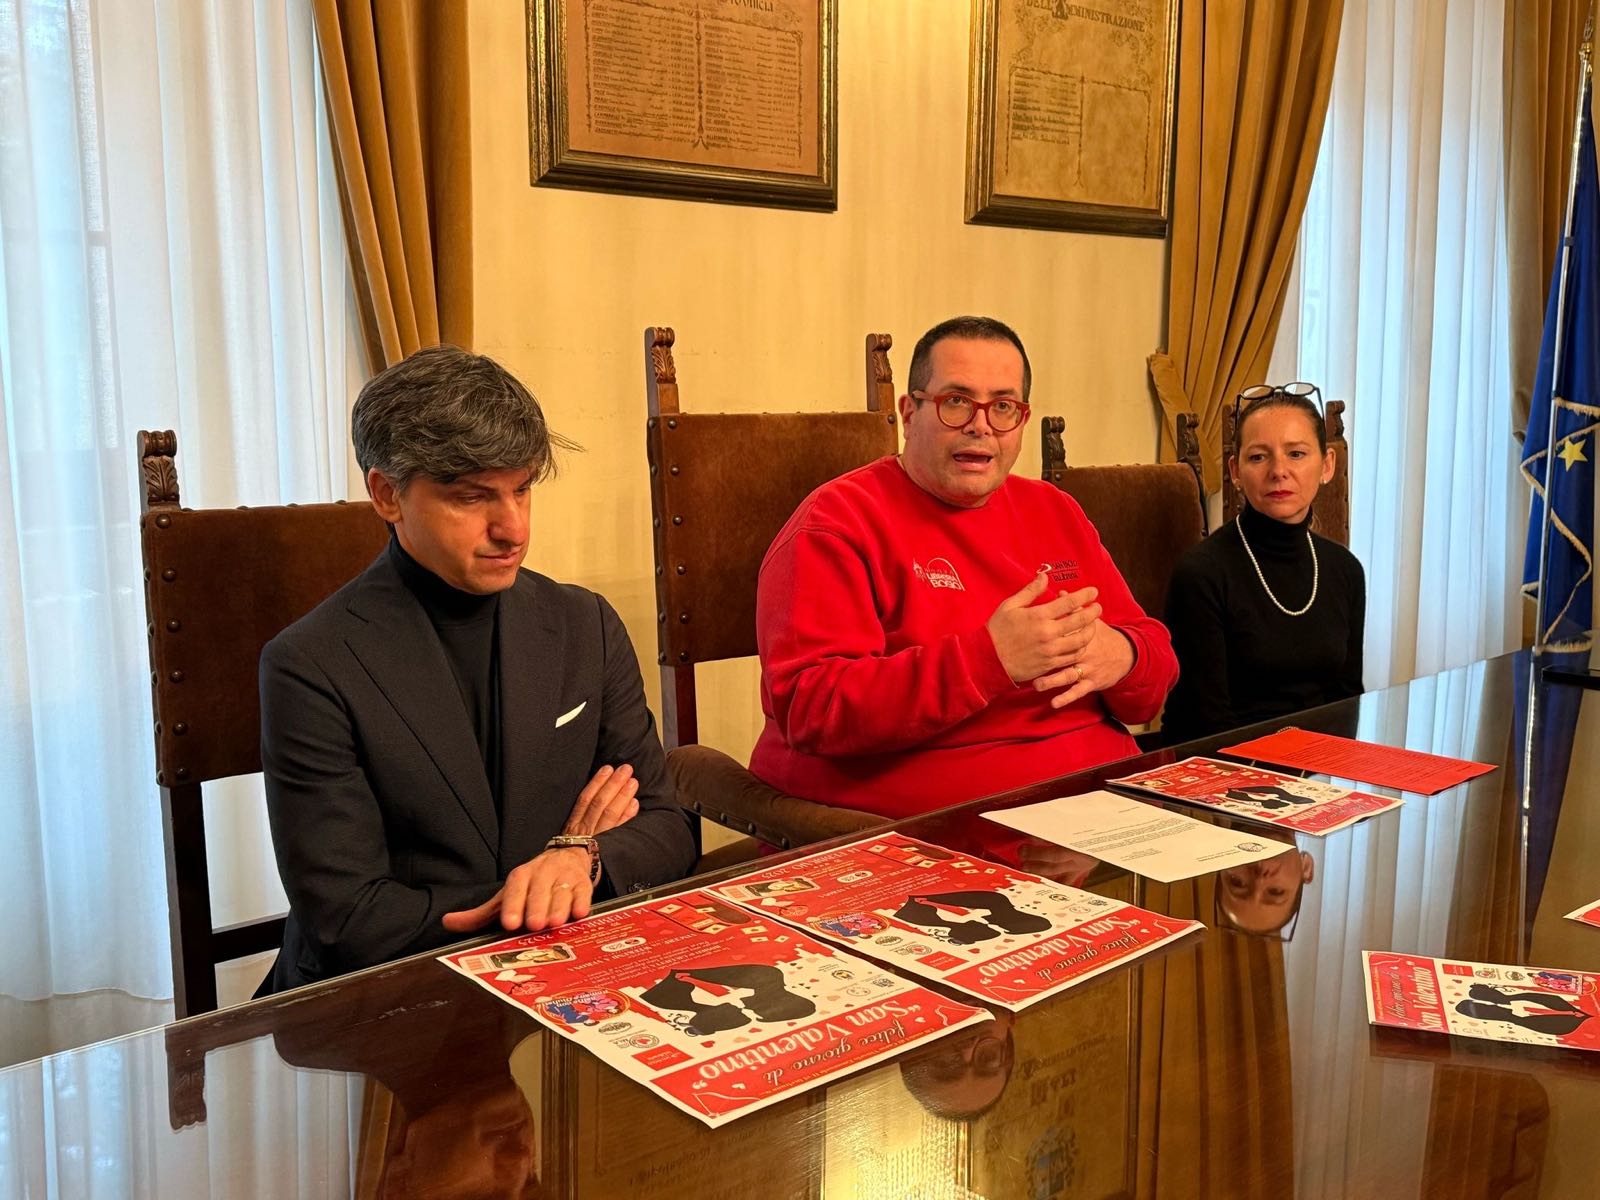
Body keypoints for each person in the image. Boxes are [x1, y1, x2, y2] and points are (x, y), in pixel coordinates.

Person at [258, 345, 697, 993]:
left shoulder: (585, 625)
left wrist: (585, 856)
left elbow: (671, 829)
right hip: (384, 1001)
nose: (512, 528)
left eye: (522, 491)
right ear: (386, 494)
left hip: (564, 979)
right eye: (473, 498)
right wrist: (543, 881)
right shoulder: (310, 665)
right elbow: (347, 918)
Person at [749, 315, 1179, 818]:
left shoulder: (1054, 509)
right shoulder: (836, 522)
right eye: (956, 401)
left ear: (1021, 420)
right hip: (923, 832)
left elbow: (1153, 676)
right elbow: (811, 709)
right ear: (909, 413)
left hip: (1098, 819)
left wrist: (1122, 655)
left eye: (1002, 406)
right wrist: (988, 660)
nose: (980, 425)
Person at [1161, 385, 1365, 742]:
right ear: (1235, 471)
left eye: (1297, 454)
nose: (1279, 471)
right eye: (1258, 457)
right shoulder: (1201, 574)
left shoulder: (1345, 570)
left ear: (1327, 465)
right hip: (1220, 770)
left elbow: (1347, 704)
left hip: (1321, 771)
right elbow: (1204, 724)